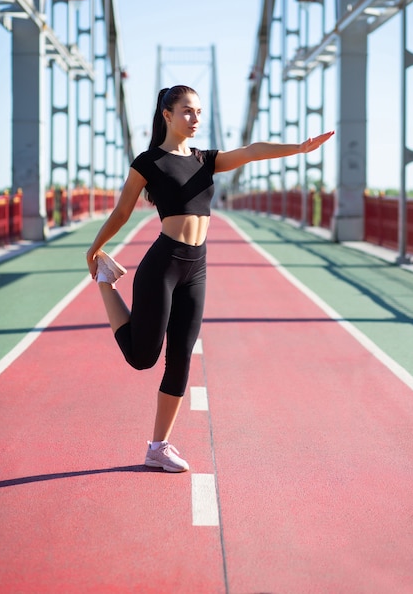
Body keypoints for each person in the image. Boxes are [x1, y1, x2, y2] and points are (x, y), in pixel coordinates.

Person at [86, 84, 334, 473]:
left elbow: (252, 152)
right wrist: (95, 247)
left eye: (199, 112)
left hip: (197, 266)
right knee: (141, 357)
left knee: (180, 358)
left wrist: (299, 148)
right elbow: (121, 212)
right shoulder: (147, 162)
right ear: (167, 115)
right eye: (187, 111)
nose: (196, 118)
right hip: (163, 264)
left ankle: (158, 446)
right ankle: (105, 281)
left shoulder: (206, 160)